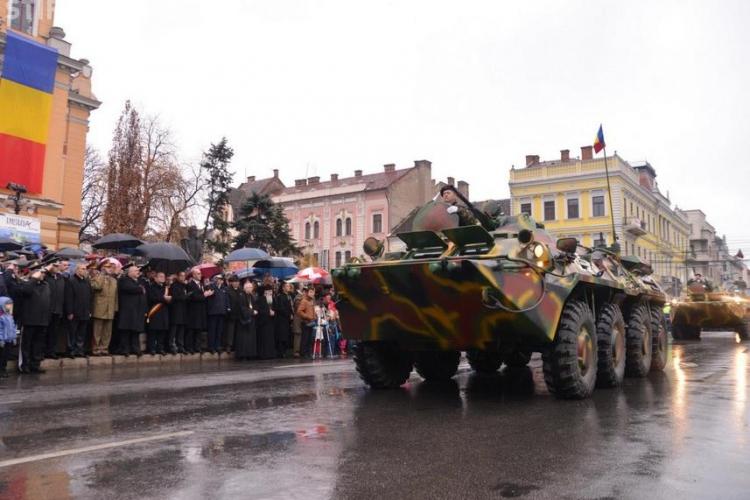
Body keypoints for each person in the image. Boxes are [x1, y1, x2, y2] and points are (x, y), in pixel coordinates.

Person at [18, 269, 51, 373]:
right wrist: (33, 279)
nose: (43, 274)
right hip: (29, 319)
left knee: (38, 344)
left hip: (42, 320)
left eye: (44, 273)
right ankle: (25, 365)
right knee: (27, 344)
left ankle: (35, 364)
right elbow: (26, 291)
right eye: (40, 272)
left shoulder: (45, 285)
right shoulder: (26, 283)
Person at [64, 262, 92, 357]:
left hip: (85, 311)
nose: (84, 270)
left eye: (85, 269)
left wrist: (89, 310)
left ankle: (79, 350)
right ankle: (71, 350)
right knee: (72, 332)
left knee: (81, 332)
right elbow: (69, 297)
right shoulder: (71, 281)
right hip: (74, 312)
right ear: (77, 270)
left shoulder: (87, 281)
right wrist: (70, 312)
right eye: (82, 269)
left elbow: (90, 297)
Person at [117, 264, 146, 356]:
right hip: (127, 311)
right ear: (129, 273)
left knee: (135, 331)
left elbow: (144, 291)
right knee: (126, 331)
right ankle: (125, 349)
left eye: (138, 271)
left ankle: (135, 348)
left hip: (138, 311)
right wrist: (140, 289)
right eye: (135, 271)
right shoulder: (124, 280)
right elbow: (129, 288)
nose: (138, 272)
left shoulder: (140, 281)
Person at [91, 261, 118, 356]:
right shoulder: (98, 277)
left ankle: (104, 348)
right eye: (108, 267)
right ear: (103, 268)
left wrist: (115, 308)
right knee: (97, 331)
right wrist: (102, 275)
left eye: (112, 267)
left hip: (110, 309)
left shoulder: (114, 280)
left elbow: (115, 296)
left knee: (107, 331)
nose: (110, 269)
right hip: (99, 308)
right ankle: (96, 349)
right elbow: (96, 287)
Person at [44, 262, 66, 359]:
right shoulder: (46, 277)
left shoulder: (61, 278)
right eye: (55, 266)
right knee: (45, 332)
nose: (57, 268)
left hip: (57, 310)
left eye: (58, 266)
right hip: (47, 310)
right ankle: (42, 352)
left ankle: (51, 351)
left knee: (54, 332)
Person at [186, 268, 211, 354]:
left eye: (200, 274)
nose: (200, 275)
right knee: (192, 330)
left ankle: (198, 347)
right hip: (193, 311)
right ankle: (190, 347)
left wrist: (207, 292)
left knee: (199, 330)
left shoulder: (201, 284)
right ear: (193, 275)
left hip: (201, 311)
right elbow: (194, 297)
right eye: (198, 274)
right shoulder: (190, 285)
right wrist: (204, 295)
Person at [146, 271, 171, 355]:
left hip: (164, 312)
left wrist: (169, 299)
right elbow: (152, 298)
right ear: (155, 278)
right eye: (160, 276)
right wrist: (164, 299)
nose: (162, 278)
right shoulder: (151, 287)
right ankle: (152, 348)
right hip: (155, 311)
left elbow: (170, 299)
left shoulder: (166, 288)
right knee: (153, 331)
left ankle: (160, 348)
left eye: (163, 276)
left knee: (162, 332)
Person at [234, 280, 257, 360]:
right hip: (243, 321)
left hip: (250, 320)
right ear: (245, 288)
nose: (251, 289)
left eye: (251, 287)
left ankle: (250, 354)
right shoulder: (241, 296)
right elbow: (242, 308)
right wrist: (251, 311)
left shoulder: (251, 296)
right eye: (249, 287)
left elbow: (253, 305)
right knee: (244, 339)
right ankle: (243, 355)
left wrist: (254, 310)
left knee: (250, 339)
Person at [206, 275, 229, 354]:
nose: (219, 281)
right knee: (212, 330)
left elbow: (226, 300)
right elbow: (208, 298)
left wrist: (227, 308)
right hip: (213, 312)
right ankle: (211, 347)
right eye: (218, 279)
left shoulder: (224, 289)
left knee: (219, 330)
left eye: (221, 279)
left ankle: (217, 346)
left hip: (221, 312)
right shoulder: (211, 287)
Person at [168, 271, 188, 354]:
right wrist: (186, 296)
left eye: (184, 276)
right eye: (181, 276)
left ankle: (180, 346)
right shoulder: (174, 285)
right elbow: (175, 297)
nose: (183, 278)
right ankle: (171, 346)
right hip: (176, 311)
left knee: (181, 329)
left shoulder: (185, 286)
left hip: (183, 311)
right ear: (178, 277)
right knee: (174, 329)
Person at [255, 284, 276, 359]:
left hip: (271, 322)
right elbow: (259, 310)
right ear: (265, 292)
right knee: (264, 339)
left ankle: (270, 354)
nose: (270, 293)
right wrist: (268, 312)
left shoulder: (272, 299)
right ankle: (263, 355)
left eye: (271, 291)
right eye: (269, 291)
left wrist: (274, 312)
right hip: (263, 323)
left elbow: (275, 308)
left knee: (270, 339)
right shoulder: (260, 299)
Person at [274, 282, 294, 358]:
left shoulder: (289, 296)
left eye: (289, 286)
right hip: (282, 320)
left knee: (286, 336)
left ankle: (284, 351)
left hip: (287, 320)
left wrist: (291, 314)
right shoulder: (280, 297)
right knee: (282, 336)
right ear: (283, 288)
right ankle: (281, 352)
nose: (288, 287)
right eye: (287, 286)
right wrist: (289, 314)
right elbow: (281, 308)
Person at [224, 275, 243, 353]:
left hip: (239, 313)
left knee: (238, 330)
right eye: (234, 282)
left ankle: (236, 345)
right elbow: (227, 301)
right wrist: (229, 309)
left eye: (237, 282)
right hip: (231, 313)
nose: (236, 283)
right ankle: (229, 345)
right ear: (231, 283)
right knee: (230, 331)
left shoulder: (241, 290)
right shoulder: (228, 290)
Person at [296, 286, 316, 359]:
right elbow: (299, 311)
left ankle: (308, 353)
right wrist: (307, 316)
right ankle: (303, 354)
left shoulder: (312, 300)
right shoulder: (304, 300)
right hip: (305, 322)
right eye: (310, 292)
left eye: (313, 292)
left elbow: (313, 310)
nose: (312, 293)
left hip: (311, 322)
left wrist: (314, 316)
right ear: (307, 293)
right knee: (305, 338)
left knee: (310, 339)